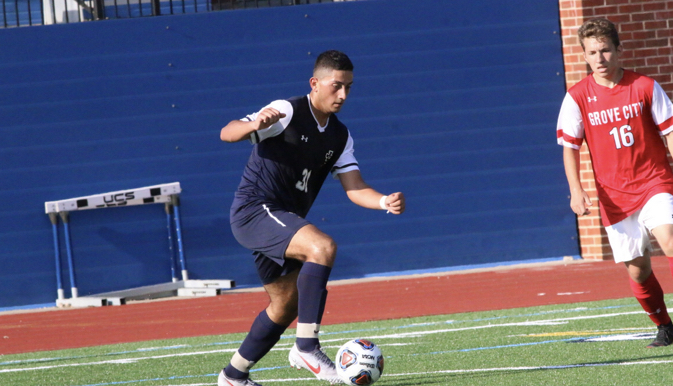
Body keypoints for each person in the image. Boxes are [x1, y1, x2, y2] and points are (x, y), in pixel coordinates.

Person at [217, 50, 405, 385]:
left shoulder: (340, 135)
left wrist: (383, 202)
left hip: (282, 220)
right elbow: (227, 132)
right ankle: (306, 347)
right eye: (337, 86)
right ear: (314, 83)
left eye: (348, 87)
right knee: (322, 247)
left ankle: (234, 375)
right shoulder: (288, 111)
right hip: (254, 210)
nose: (344, 95)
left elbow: (355, 186)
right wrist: (254, 125)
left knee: (287, 305)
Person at [557, 18, 673, 348]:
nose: (600, 58)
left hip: (654, 182)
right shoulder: (577, 97)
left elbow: (669, 131)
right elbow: (570, 148)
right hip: (615, 197)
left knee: (669, 239)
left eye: (606, 50)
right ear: (584, 55)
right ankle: (664, 324)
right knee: (637, 270)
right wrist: (576, 191)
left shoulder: (645, 87)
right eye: (592, 52)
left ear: (619, 50)